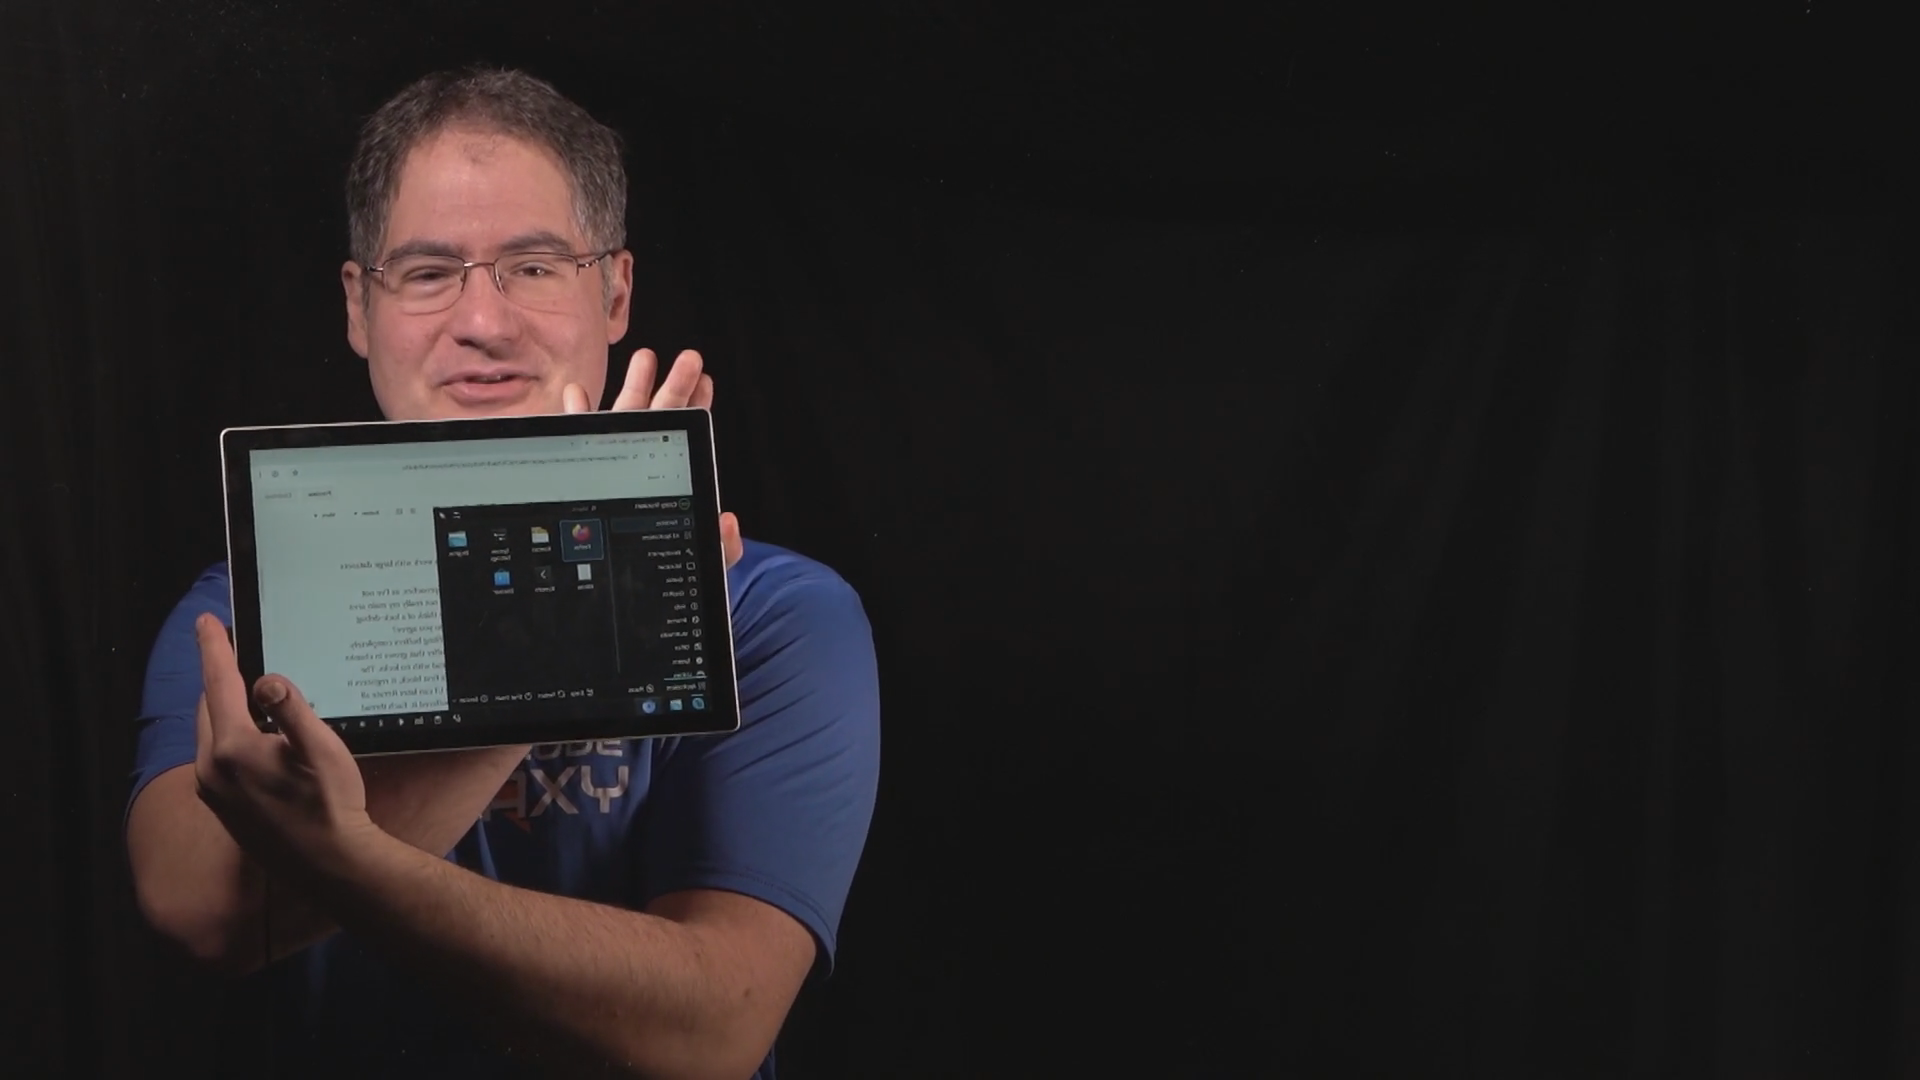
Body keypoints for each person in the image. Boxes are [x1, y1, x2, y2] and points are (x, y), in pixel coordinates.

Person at [123, 67, 882, 1080]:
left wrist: (341, 853)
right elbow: (201, 911)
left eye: (533, 266)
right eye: (427, 272)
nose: (482, 322)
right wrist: (568, 639)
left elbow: (712, 1028)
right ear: (359, 308)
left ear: (614, 294)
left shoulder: (776, 613)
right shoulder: (241, 609)